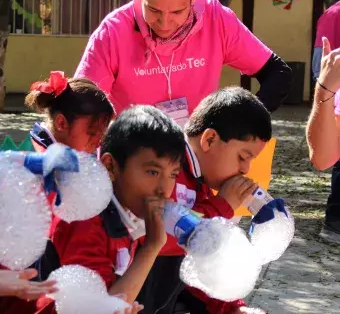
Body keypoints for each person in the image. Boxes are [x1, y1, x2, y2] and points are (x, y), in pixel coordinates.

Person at [75, 0, 291, 125]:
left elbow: (278, 74)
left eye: (178, 11)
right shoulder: (113, 32)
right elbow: (81, 106)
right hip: (134, 162)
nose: (165, 23)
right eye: (154, 10)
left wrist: (242, 123)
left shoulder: (216, 19)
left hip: (199, 160)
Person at [35, 105, 187, 313]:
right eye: (152, 172)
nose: (164, 190)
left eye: (173, 175)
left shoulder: (122, 212)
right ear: (110, 166)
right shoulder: (85, 217)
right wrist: (152, 246)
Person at [137, 87, 271, 314]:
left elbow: (201, 262)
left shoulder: (201, 180)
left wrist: (231, 307)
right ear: (209, 139)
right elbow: (161, 239)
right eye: (243, 157)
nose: (246, 169)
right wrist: (222, 206)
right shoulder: (164, 170)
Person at [0, 71, 116, 314]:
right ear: (62, 123)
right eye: (92, 134)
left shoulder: (60, 158)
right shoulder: (41, 162)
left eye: (102, 137)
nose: (97, 143)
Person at [25, 71, 114, 154]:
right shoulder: (39, 160)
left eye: (101, 135)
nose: (99, 143)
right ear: (61, 123)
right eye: (92, 133)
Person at [311, 0, 340, 243]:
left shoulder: (330, 12)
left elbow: (317, 65)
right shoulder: (335, 13)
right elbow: (321, 63)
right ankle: (335, 222)